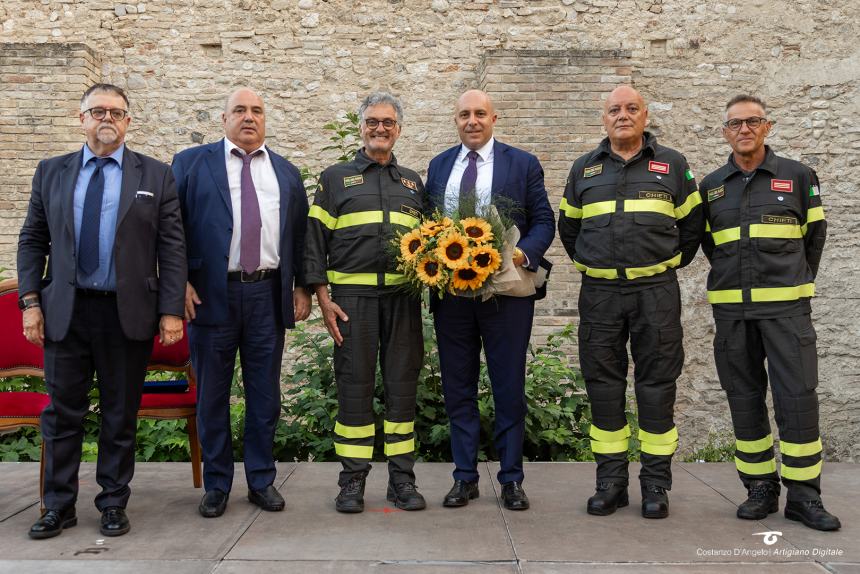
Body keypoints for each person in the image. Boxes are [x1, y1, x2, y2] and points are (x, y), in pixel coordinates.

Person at [17, 84, 187, 539]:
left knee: (119, 414)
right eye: (97, 111)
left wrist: (171, 311)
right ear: (82, 118)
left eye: (116, 112)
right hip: (65, 314)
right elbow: (33, 239)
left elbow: (172, 248)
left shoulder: (155, 174)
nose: (106, 118)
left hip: (125, 314)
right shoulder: (51, 171)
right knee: (62, 414)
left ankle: (113, 502)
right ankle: (58, 506)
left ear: (129, 121)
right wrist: (30, 302)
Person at [558, 85, 702, 519]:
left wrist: (663, 265)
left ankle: (656, 485)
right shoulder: (583, 170)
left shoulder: (673, 166)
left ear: (645, 116)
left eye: (631, 109)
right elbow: (569, 231)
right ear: (604, 118)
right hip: (600, 295)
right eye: (614, 110)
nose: (623, 115)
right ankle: (611, 483)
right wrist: (595, 264)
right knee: (603, 387)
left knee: (657, 386)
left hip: (655, 294)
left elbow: (692, 228)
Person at [699, 94, 839, 531]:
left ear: (767, 126)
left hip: (786, 312)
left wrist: (792, 284)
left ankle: (804, 496)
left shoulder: (797, 176)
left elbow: (813, 238)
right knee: (745, 402)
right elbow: (710, 246)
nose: (744, 129)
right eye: (735, 123)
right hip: (732, 315)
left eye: (753, 121)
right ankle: (759, 487)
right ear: (725, 131)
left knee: (797, 401)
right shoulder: (711, 186)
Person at [172, 87, 311, 518]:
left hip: (268, 294)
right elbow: (169, 228)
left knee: (264, 394)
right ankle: (216, 486)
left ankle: (261, 480)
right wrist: (177, 283)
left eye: (256, 111)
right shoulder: (191, 164)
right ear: (224, 118)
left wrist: (302, 286)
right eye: (239, 110)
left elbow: (300, 236)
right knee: (212, 394)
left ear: (265, 119)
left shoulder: (286, 173)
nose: (248, 117)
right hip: (211, 295)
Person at [425, 89, 555, 511]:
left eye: (480, 113)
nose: (472, 121)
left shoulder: (522, 163)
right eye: (464, 114)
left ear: (494, 118)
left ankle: (511, 479)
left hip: (507, 297)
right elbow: (429, 226)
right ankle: (464, 478)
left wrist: (521, 254)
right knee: (458, 387)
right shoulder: (440, 165)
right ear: (455, 120)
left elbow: (543, 220)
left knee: (508, 386)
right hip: (454, 297)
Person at [304, 91, 427, 513]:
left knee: (402, 390)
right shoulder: (335, 178)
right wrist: (323, 299)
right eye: (373, 121)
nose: (380, 129)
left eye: (388, 123)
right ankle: (352, 482)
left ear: (398, 130)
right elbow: (314, 243)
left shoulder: (413, 182)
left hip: (403, 300)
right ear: (361, 127)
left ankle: (402, 481)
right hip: (351, 302)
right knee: (354, 390)